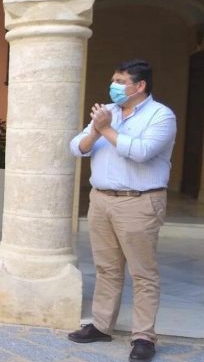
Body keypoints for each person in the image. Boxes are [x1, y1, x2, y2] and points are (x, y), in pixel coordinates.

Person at [67, 59, 176, 362]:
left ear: (140, 86)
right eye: (113, 80)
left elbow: (141, 152)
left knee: (143, 273)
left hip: (139, 201)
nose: (113, 86)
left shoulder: (161, 116)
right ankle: (102, 325)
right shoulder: (109, 112)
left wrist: (106, 130)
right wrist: (96, 131)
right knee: (107, 268)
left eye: (120, 81)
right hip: (101, 199)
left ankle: (143, 337)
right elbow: (77, 147)